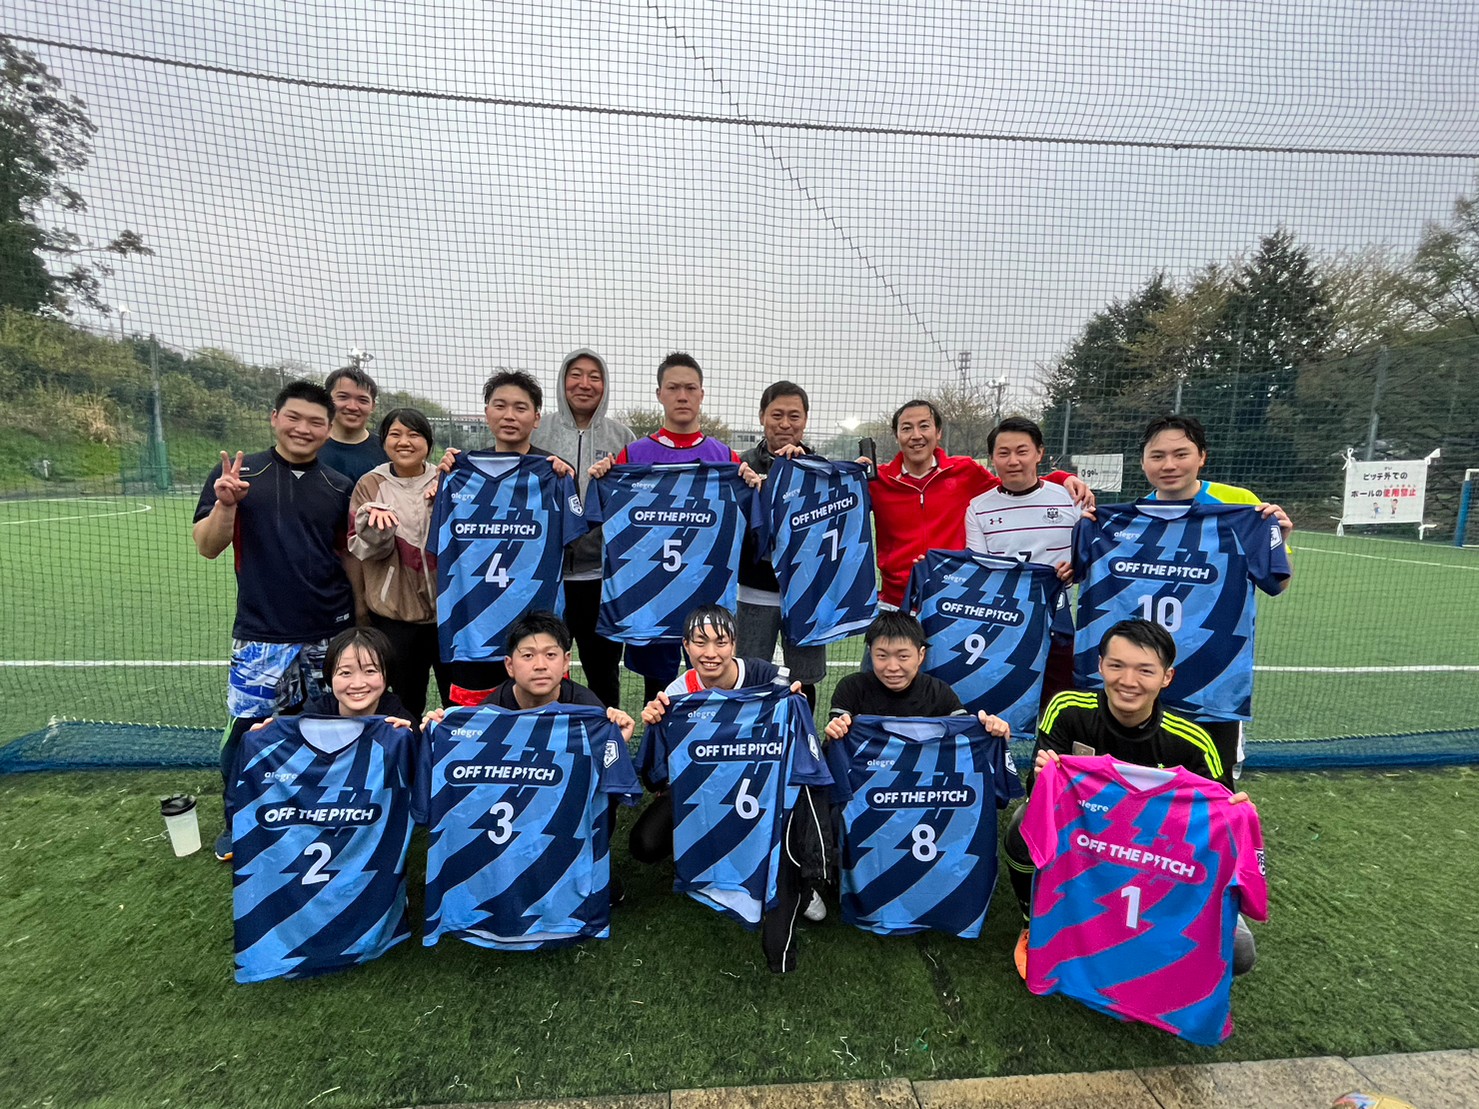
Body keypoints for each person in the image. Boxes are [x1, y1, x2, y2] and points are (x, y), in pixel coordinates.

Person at [1001, 618, 1253, 980]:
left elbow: (1217, 826)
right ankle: (1035, 922)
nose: (1128, 681)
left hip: (1156, 858)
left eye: (1145, 670)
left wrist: (1236, 814)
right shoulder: (1067, 710)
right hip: (1086, 841)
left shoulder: (1192, 742)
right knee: (1022, 827)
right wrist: (1043, 779)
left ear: (1166, 677)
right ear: (1100, 665)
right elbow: (1038, 794)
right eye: (1117, 665)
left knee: (1239, 953)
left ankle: (1152, 939)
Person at [193, 380, 355, 861]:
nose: (304, 429)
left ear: (329, 429)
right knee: (249, 733)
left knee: (328, 730)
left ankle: (317, 814)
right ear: (274, 418)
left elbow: (347, 557)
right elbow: (207, 546)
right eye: (294, 418)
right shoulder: (240, 476)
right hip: (262, 635)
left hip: (329, 632)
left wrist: (359, 622)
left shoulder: (338, 485)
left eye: (315, 422)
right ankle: (238, 823)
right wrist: (227, 504)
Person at [588, 353, 760, 698]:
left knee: (713, 683)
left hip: (707, 592)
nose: (682, 396)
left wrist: (753, 485)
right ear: (659, 394)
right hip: (650, 597)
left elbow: (753, 526)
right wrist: (603, 477)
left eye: (690, 388)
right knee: (657, 691)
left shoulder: (727, 459)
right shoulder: (632, 456)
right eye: (673, 388)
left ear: (702, 394)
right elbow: (603, 515)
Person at [1139, 413, 1294, 777]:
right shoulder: (1136, 515)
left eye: (1181, 454)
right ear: (1143, 462)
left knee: (1212, 777)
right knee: (1148, 766)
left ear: (1202, 457)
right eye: (1157, 456)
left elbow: (1277, 584)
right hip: (1149, 669)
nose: (1169, 465)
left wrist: (1277, 543)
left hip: (1215, 670)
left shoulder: (1240, 505)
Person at [871, 399, 1090, 611]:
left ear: (938, 433)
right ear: (896, 435)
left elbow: (1013, 483)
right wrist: (854, 474)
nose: (916, 435)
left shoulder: (965, 471)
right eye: (906, 428)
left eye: (924, 426)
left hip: (952, 601)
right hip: (894, 603)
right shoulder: (876, 481)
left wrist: (1062, 478)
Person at [435, 370, 577, 694]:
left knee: (539, 717)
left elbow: (575, 540)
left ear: (536, 418)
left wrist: (564, 483)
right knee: (476, 720)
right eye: (500, 406)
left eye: (520, 407)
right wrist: (442, 481)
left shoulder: (555, 473)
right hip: (472, 633)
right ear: (487, 412)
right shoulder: (456, 474)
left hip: (536, 636)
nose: (509, 415)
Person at [628, 605, 800, 868]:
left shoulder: (766, 678)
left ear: (734, 644)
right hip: (699, 785)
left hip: (757, 783)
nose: (710, 653)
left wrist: (796, 702)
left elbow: (793, 734)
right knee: (645, 843)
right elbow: (657, 777)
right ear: (686, 646)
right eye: (700, 642)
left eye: (720, 642)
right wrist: (655, 722)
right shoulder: (676, 694)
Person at [532, 349, 636, 710]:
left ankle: (607, 736)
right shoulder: (539, 429)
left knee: (603, 673)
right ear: (563, 380)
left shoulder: (622, 436)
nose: (584, 384)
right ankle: (544, 733)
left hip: (601, 580)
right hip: (545, 578)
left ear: (605, 385)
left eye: (594, 376)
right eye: (576, 374)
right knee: (541, 671)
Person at [963, 416, 1082, 711]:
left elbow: (1088, 560)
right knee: (1001, 707)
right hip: (1003, 626)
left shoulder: (1070, 499)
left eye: (1022, 451)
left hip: (1056, 626)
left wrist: (1075, 569)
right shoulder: (978, 508)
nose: (1013, 461)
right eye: (1003, 453)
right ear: (992, 458)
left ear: (1039, 453)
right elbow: (981, 572)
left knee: (1058, 706)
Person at [736, 381, 829, 709]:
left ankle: (804, 736)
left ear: (805, 420)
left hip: (805, 593)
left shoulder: (821, 468)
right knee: (748, 676)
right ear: (762, 416)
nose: (785, 424)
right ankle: (749, 734)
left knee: (805, 679)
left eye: (794, 416)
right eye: (777, 415)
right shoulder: (741, 465)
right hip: (754, 590)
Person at [348, 407, 444, 717]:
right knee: (405, 703)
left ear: (428, 442)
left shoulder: (446, 479)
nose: (405, 442)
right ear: (384, 441)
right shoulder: (370, 484)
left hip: (449, 615)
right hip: (395, 616)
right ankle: (406, 747)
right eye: (395, 434)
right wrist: (377, 531)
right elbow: (361, 549)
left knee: (457, 700)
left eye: (414, 434)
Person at [423, 611, 635, 734]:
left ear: (566, 662)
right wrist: (438, 731)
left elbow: (607, 780)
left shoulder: (587, 708)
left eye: (550, 655)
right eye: (528, 655)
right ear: (509, 666)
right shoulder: (490, 710)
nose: (540, 665)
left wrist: (617, 738)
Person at [825, 611, 1010, 738]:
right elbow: (834, 740)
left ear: (921, 655)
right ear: (870, 653)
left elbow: (965, 734)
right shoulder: (851, 688)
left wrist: (994, 729)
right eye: (882, 656)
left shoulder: (938, 692)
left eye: (903, 657)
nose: (892, 667)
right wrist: (836, 729)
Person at [318, 365, 388, 484]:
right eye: (343, 397)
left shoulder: (387, 451)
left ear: (373, 406)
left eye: (362, 400)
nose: (352, 407)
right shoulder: (309, 446)